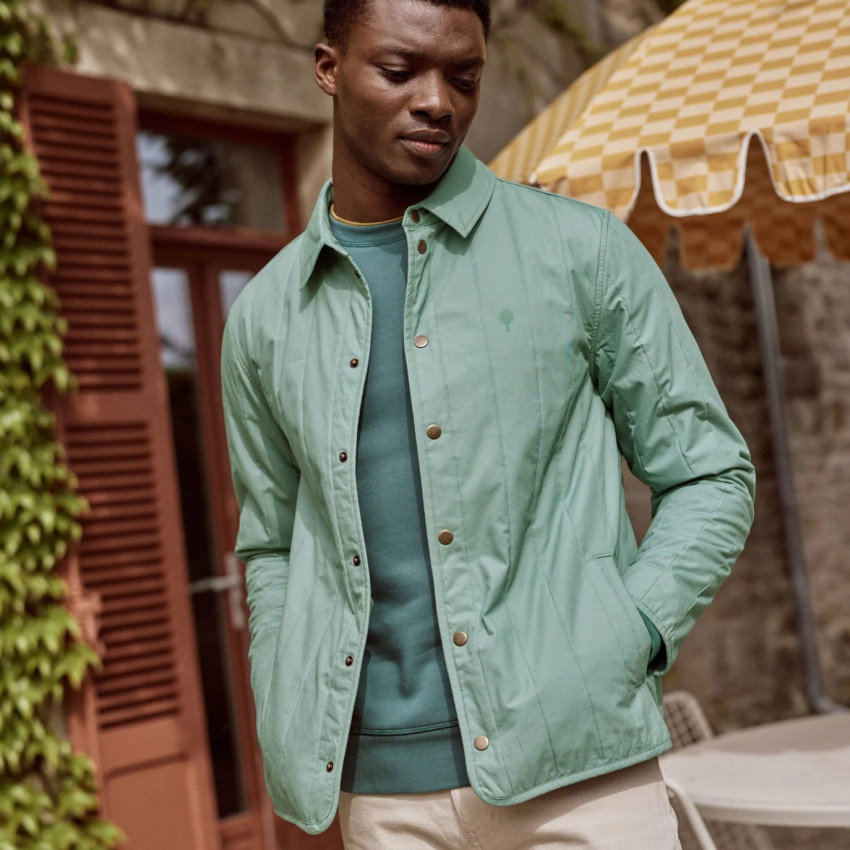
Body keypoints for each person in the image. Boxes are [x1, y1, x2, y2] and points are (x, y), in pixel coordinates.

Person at [220, 0, 755, 846]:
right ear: (329, 69)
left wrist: (630, 630)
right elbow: (273, 543)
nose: (437, 101)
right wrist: (283, 687)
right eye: (400, 71)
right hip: (383, 799)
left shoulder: (580, 251)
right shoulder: (264, 317)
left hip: (582, 779)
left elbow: (710, 472)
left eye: (463, 78)